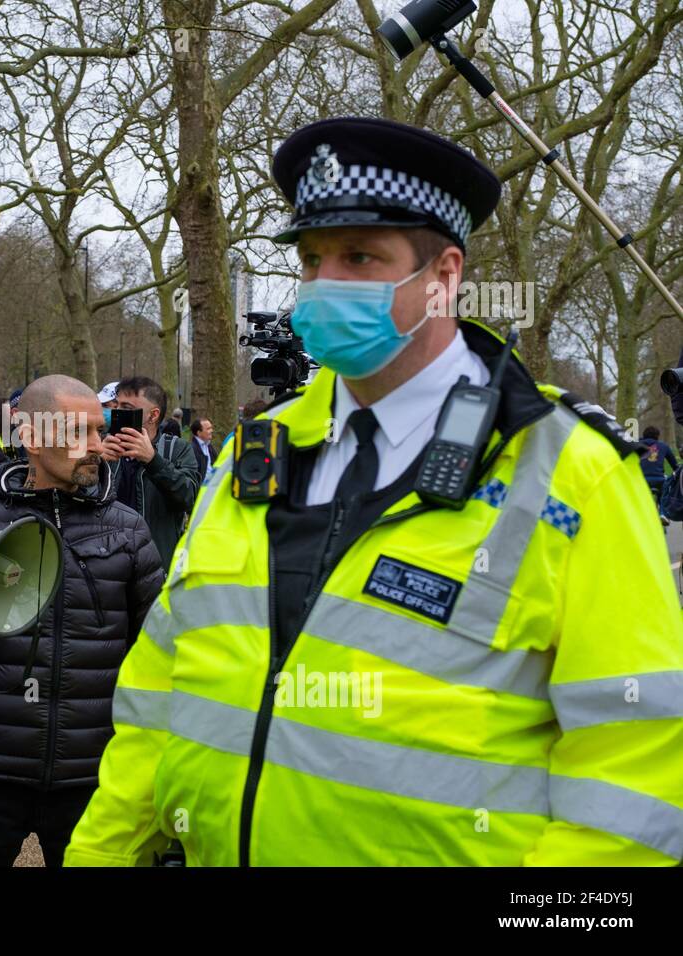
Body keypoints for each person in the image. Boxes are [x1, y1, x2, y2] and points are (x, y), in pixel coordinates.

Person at [68, 117, 683, 866]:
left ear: (444, 276)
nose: (325, 284)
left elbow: (636, 763)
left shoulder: (574, 474)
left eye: (360, 257)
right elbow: (161, 693)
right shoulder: (251, 458)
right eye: (312, 259)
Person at [0, 374, 164, 866]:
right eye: (79, 432)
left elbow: (157, 654)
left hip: (93, 774)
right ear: (33, 438)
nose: (98, 447)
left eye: (99, 432)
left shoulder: (128, 530)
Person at [102, 376, 200, 572]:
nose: (117, 412)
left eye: (127, 407)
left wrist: (153, 460)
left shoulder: (177, 449)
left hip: (156, 564)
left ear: (153, 415)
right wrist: (96, 461)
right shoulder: (102, 445)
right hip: (108, 563)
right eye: (117, 405)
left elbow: (190, 498)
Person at [638, 426, 677, 508]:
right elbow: (674, 464)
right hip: (659, 480)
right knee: (663, 495)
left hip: (641, 479)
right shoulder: (663, 446)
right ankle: (663, 513)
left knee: (639, 498)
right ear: (657, 436)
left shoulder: (637, 445)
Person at [191, 417, 216, 484]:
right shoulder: (192, 449)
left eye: (211, 428)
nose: (211, 431)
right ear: (199, 433)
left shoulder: (210, 447)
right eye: (208, 429)